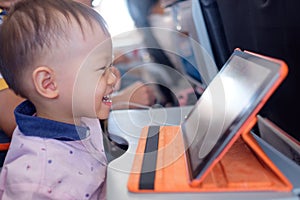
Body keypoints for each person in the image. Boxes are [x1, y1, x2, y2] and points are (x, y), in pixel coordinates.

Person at [0, 0, 117, 199]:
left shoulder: (81, 116)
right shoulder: (36, 181)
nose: (113, 78)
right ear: (48, 84)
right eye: (101, 69)